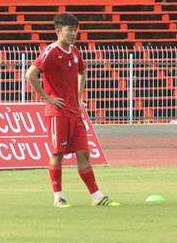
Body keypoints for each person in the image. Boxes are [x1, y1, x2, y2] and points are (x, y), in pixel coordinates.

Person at [26, 12, 120, 208]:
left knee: (84, 153)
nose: (74, 33)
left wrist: (79, 96)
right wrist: (47, 97)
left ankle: (97, 196)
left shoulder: (76, 52)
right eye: (70, 29)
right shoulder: (51, 51)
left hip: (74, 111)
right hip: (57, 111)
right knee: (58, 153)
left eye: (76, 29)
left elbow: (81, 72)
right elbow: (31, 75)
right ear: (58, 31)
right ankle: (58, 196)